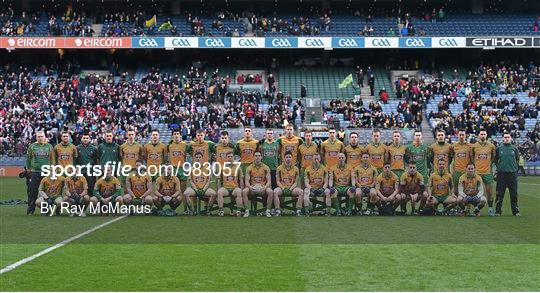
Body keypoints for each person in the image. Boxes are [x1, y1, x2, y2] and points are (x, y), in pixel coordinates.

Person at [26, 131, 55, 215]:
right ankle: (31, 210)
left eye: (42, 136)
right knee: (32, 191)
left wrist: (52, 169)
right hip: (34, 172)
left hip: (46, 172)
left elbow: (52, 159)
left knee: (45, 192)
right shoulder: (32, 146)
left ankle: (46, 210)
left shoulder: (49, 146)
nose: (40, 138)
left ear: (45, 137)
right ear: (36, 137)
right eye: (38, 136)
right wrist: (28, 168)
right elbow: (28, 158)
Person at [471, 129, 497, 216]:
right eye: (481, 134)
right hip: (477, 173)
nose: (483, 135)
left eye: (484, 134)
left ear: (486, 135)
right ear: (478, 135)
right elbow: (471, 157)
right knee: (475, 192)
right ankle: (477, 209)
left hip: (487, 172)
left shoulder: (491, 146)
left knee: (489, 191)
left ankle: (490, 209)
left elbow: (493, 157)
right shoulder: (474, 146)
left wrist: (488, 164)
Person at [495, 132, 521, 216]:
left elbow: (517, 159)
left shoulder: (514, 148)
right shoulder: (499, 149)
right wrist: (499, 167)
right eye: (505, 137)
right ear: (503, 138)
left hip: (512, 174)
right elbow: (495, 160)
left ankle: (515, 211)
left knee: (513, 194)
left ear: (510, 138)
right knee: (499, 193)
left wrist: (514, 169)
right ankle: (498, 211)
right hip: (501, 174)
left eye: (508, 137)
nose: (506, 138)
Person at [242, 151, 273, 217]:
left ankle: (268, 211)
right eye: (256, 156)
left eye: (259, 156)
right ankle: (247, 211)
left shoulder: (266, 167)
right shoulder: (249, 168)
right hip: (252, 187)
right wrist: (250, 187)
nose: (257, 157)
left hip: (263, 187)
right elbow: (246, 181)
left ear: (261, 157)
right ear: (253, 157)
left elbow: (269, 181)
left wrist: (265, 187)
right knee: (244, 191)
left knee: (270, 191)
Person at [272, 151, 303, 216]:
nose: (288, 158)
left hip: (292, 188)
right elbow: (278, 181)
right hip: (282, 187)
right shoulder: (279, 168)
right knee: (275, 192)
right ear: (284, 158)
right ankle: (278, 210)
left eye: (289, 157)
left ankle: (298, 210)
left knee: (301, 192)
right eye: (286, 157)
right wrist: (283, 188)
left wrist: (290, 189)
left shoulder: (296, 169)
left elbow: (295, 182)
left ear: (292, 158)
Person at [451, 129, 472, 196]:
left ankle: (467, 204)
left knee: (467, 189)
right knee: (456, 190)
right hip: (457, 171)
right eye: (460, 135)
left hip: (466, 172)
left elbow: (472, 159)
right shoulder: (454, 146)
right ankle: (457, 204)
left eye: (463, 135)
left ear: (465, 135)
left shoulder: (470, 146)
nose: (461, 136)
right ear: (457, 135)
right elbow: (451, 157)